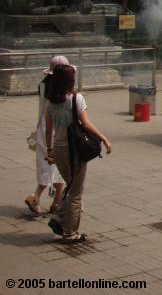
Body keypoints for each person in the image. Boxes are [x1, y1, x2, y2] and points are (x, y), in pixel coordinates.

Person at [45, 64, 111, 243]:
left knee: (71, 186)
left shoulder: (50, 102)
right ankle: (70, 233)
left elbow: (48, 131)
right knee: (76, 193)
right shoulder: (76, 99)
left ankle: (58, 218)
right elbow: (87, 125)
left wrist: (49, 150)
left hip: (58, 150)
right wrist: (104, 138)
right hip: (74, 150)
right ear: (70, 81)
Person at [24, 55, 67, 216]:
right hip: (57, 131)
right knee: (60, 167)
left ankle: (37, 197)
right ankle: (55, 203)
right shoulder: (62, 91)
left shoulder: (43, 85)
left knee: (45, 166)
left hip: (42, 129)